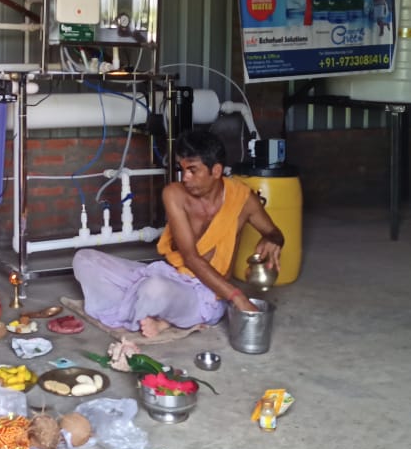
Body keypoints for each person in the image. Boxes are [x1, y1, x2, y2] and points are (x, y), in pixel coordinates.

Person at [72, 129, 284, 338]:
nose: (185, 178)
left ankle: (155, 313)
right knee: (84, 259)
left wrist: (273, 240)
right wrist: (238, 297)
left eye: (193, 170)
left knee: (153, 289)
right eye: (182, 169)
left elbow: (275, 232)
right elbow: (190, 257)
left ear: (216, 170)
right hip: (170, 275)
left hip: (207, 294)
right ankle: (158, 315)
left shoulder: (242, 199)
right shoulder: (174, 194)